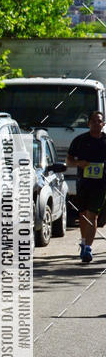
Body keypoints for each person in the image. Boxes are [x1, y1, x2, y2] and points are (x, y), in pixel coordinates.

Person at [66, 111, 106, 264]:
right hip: (83, 183)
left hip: (101, 184)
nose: (97, 124)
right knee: (83, 215)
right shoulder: (80, 140)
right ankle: (83, 242)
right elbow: (69, 160)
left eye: (100, 121)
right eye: (94, 121)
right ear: (88, 123)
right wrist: (78, 163)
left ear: (103, 124)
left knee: (93, 215)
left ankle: (88, 248)